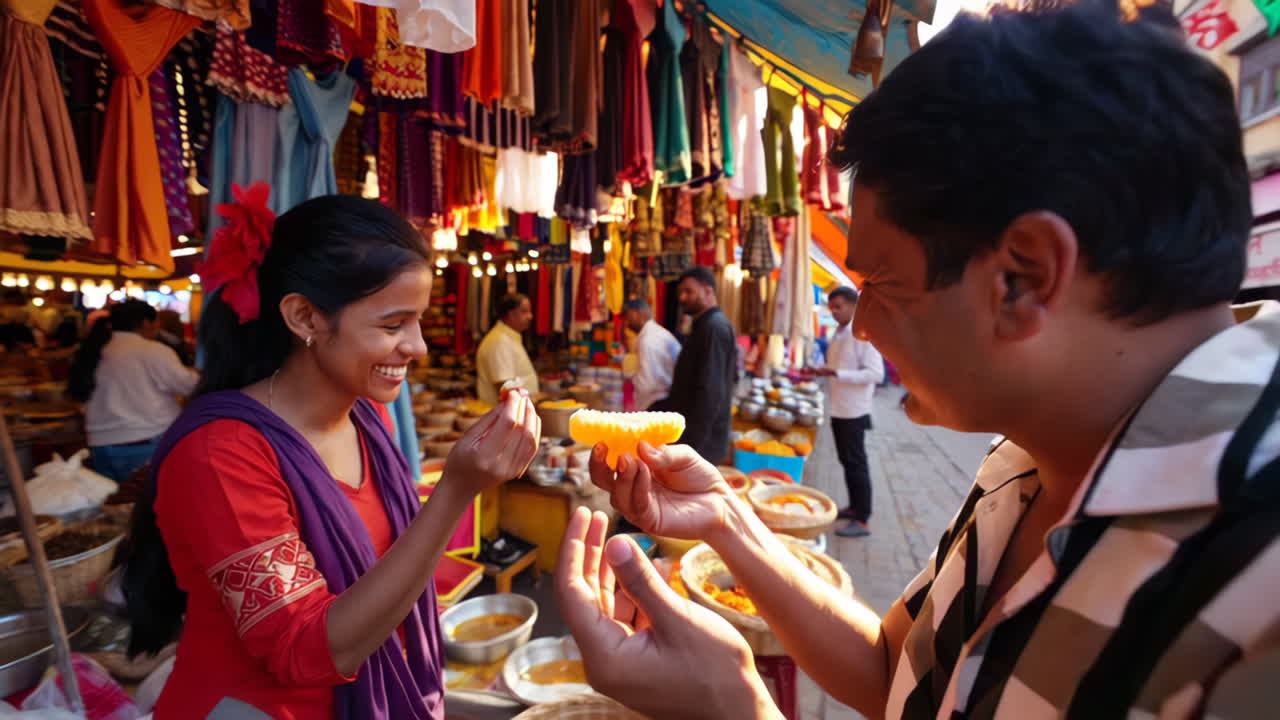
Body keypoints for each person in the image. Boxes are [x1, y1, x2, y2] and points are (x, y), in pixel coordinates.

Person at [556, 3, 1280, 719]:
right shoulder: (1023, 465)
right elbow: (895, 674)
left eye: (881, 285)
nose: (862, 326)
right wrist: (726, 523)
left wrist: (736, 711)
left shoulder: (1257, 593)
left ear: (1023, 277)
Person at [119, 193, 540, 719]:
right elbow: (306, 649)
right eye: (393, 325)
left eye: (418, 321)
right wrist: (455, 491)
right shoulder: (219, 454)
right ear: (304, 317)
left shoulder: (364, 418)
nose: (418, 347)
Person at [69, 301, 198, 483]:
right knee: (147, 507)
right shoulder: (153, 351)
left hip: (100, 446)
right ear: (146, 323)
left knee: (115, 507)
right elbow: (189, 385)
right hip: (145, 442)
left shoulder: (94, 349)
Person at [812, 286, 883, 538]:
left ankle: (863, 519)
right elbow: (839, 365)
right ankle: (854, 508)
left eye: (838, 306)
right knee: (847, 462)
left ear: (854, 306)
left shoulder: (863, 334)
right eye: (831, 307)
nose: (834, 312)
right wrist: (826, 370)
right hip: (839, 408)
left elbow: (876, 374)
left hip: (854, 411)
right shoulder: (841, 332)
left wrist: (837, 373)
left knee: (856, 464)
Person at [651, 267, 737, 463]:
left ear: (708, 291)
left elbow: (710, 391)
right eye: (680, 292)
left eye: (689, 291)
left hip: (701, 443)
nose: (682, 298)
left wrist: (691, 444)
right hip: (696, 436)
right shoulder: (705, 325)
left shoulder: (713, 327)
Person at [475, 293, 539, 406]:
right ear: (511, 314)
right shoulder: (500, 341)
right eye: (524, 311)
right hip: (505, 418)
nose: (530, 316)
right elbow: (505, 389)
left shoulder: (507, 337)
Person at [623, 298, 681, 411]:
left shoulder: (648, 339)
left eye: (628, 316)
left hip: (656, 403)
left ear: (639, 313)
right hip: (662, 399)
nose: (626, 322)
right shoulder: (656, 333)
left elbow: (647, 383)